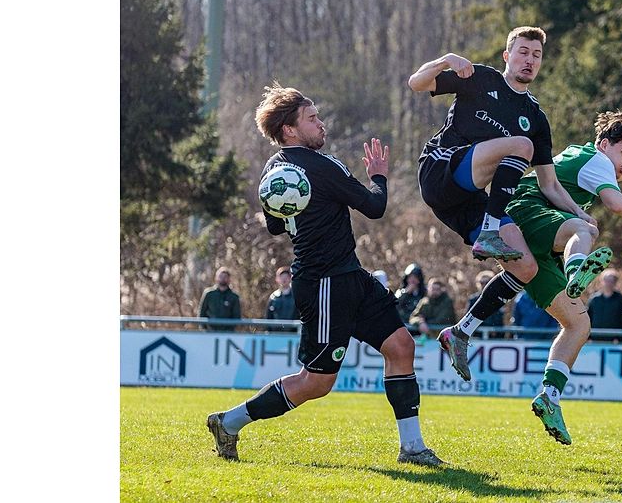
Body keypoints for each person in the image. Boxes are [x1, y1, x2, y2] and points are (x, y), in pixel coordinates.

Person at [206, 83, 444, 466]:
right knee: (316, 382)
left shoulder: (273, 170)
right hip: (324, 284)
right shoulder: (323, 166)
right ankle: (229, 422)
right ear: (289, 130)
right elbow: (375, 206)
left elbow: (273, 225)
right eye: (312, 118)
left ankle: (413, 447)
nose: (321, 124)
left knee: (401, 346)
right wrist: (379, 175)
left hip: (349, 275)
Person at [470, 110, 622, 445]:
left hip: (533, 234)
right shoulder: (597, 161)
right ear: (604, 144)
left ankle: (549, 396)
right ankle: (576, 270)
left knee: (579, 325)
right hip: (527, 211)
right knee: (585, 225)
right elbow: (616, 202)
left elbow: (621, 173)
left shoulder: (591, 158)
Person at [408, 26, 594, 376]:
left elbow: (549, 184)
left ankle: (460, 332)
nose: (530, 60)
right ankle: (490, 230)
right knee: (520, 146)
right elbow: (416, 83)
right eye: (523, 52)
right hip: (440, 170)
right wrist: (445, 60)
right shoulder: (479, 78)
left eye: (536, 55)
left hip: (467, 200)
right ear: (507, 56)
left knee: (526, 266)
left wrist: (580, 213)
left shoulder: (535, 117)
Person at [586, 269, 622, 342]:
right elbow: (587, 318)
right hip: (594, 340)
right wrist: (588, 337)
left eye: (611, 281)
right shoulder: (594, 299)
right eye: (606, 280)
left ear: (615, 282)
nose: (608, 283)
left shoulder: (620, 299)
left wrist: (621, 338)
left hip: (613, 342)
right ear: (601, 281)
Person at [467, 270, 506, 338]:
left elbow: (499, 320)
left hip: (495, 337)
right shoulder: (473, 300)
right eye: (482, 282)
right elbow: (469, 319)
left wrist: (493, 330)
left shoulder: (499, 299)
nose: (484, 285)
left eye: (487, 282)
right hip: (478, 337)